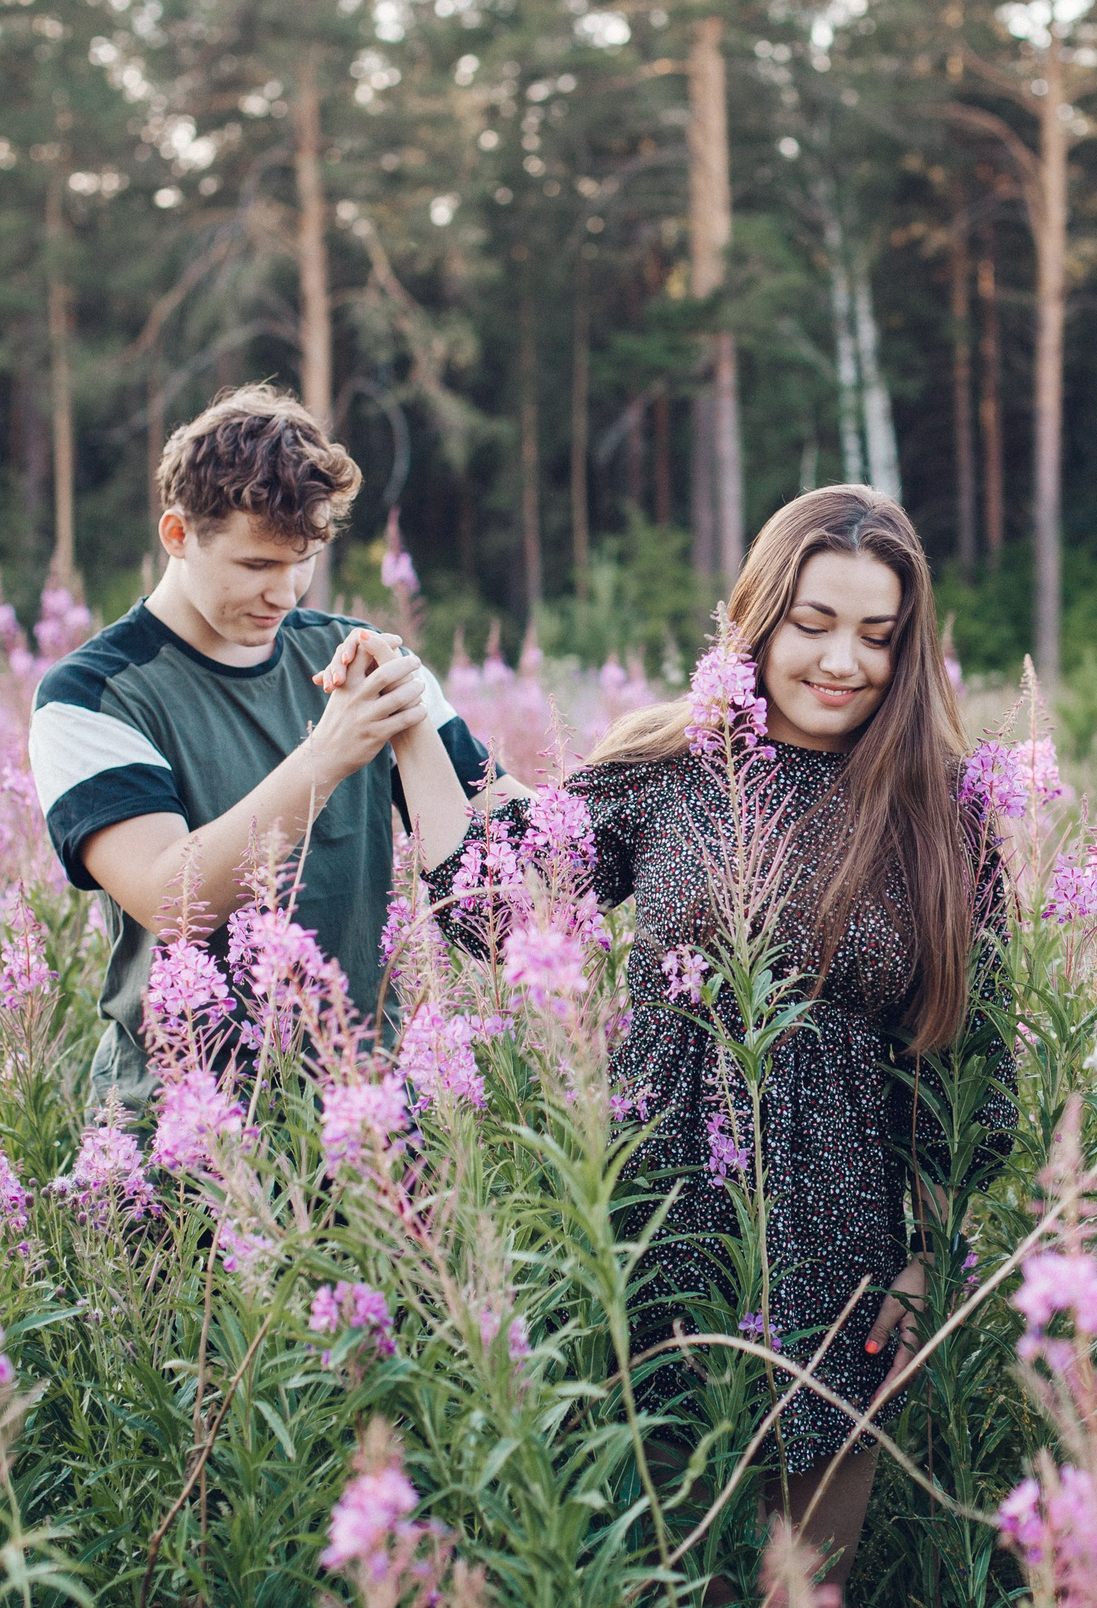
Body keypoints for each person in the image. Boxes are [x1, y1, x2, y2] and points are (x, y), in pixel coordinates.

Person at [373, 484, 1016, 1596]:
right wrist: (408, 724)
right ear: (758, 615)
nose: (842, 661)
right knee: (668, 1572)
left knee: (800, 1584)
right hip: (659, 1215)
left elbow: (969, 1059)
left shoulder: (942, 813)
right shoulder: (663, 768)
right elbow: (493, 905)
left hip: (846, 1253)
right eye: (813, 622)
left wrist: (933, 1252)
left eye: (877, 634)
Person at [27, 383, 501, 1109]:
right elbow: (171, 899)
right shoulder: (91, 695)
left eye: (303, 558)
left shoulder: (366, 662)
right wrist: (329, 755)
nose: (285, 592)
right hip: (187, 1136)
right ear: (177, 535)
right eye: (256, 566)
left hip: (360, 1118)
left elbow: (499, 830)